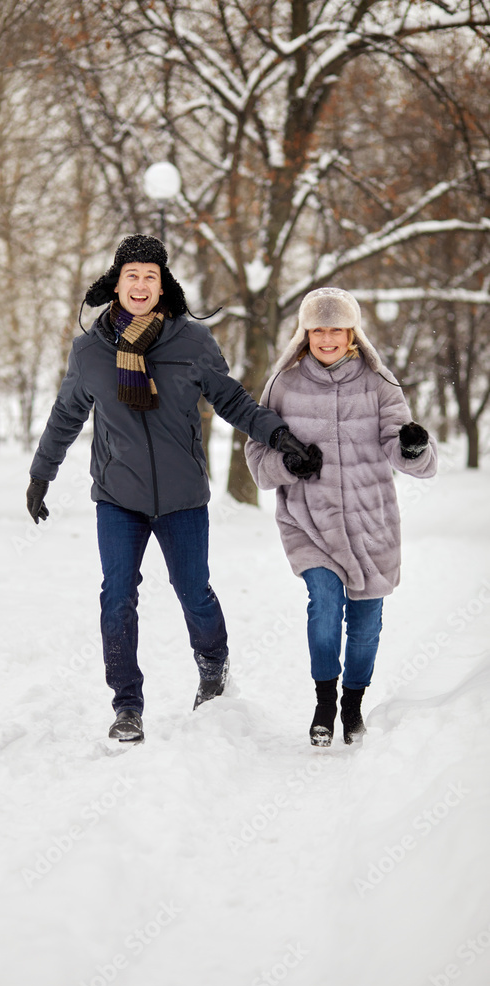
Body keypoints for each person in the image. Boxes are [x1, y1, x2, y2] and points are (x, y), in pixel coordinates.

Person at [26, 234, 316, 743]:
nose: (140, 285)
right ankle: (127, 705)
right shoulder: (90, 351)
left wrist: (279, 435)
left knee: (193, 592)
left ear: (163, 286)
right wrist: (40, 474)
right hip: (118, 497)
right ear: (115, 284)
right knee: (116, 597)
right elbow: (66, 415)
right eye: (131, 275)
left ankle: (213, 666)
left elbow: (233, 401)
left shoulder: (191, 341)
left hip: (182, 498)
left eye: (150, 276)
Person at [245, 287, 437, 747]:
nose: (327, 338)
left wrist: (412, 446)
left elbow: (403, 451)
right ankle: (325, 701)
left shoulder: (378, 383)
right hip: (310, 520)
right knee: (325, 606)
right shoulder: (284, 384)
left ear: (352, 334)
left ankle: (353, 703)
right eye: (318, 329)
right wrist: (286, 464)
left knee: (367, 624)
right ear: (305, 333)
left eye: (336, 329)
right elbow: (257, 453)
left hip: (372, 522)